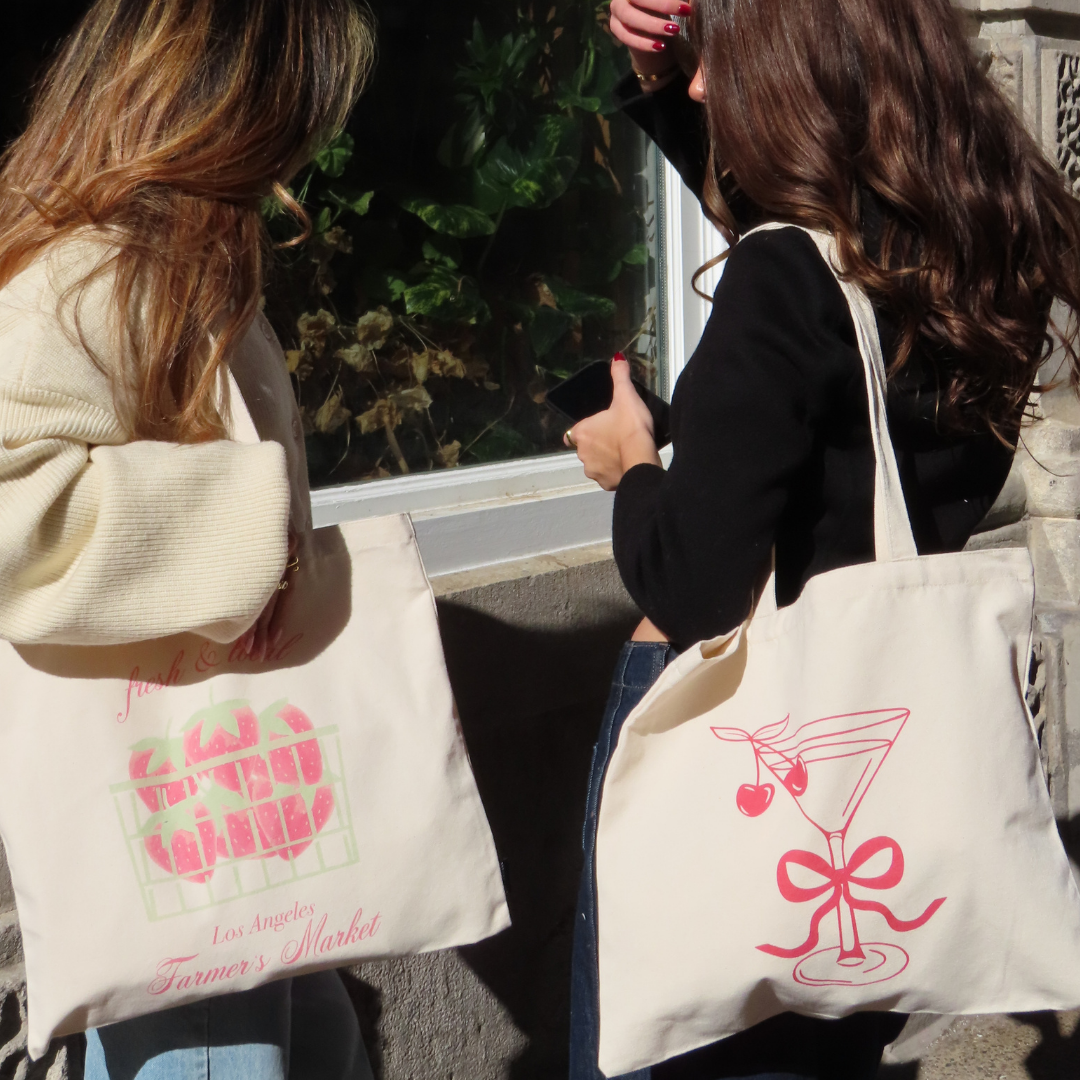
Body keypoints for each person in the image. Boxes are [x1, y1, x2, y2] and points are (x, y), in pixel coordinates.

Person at [566, 0, 1080, 1077]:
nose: (700, 85)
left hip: (751, 732)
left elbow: (693, 583)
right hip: (890, 731)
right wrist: (661, 70)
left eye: (726, 57)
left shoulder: (784, 277)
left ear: (807, 62)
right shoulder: (992, 239)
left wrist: (633, 467)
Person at [0, 0, 376, 1076]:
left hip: (220, 798)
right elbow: (15, 510)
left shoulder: (173, 269)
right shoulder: (90, 274)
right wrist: (248, 536)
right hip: (177, 818)